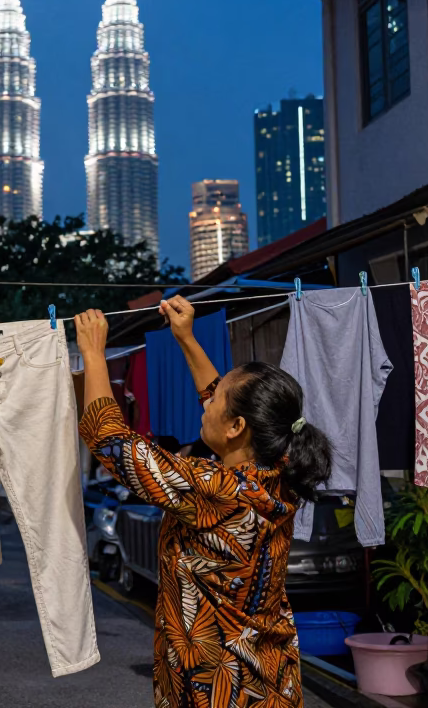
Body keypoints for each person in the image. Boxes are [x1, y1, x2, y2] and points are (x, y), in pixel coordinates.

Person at [74, 297, 333, 708]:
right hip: (269, 680)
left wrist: (92, 352)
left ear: (236, 427)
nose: (206, 401)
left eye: (214, 402)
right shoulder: (280, 469)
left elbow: (109, 440)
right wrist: (186, 339)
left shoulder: (214, 489)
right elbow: (225, 400)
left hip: (216, 689)